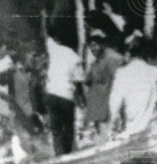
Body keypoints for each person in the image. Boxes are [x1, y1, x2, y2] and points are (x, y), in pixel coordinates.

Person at [108, 32, 157, 138]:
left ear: (127, 53)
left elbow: (113, 106)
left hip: (132, 132)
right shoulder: (155, 72)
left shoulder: (121, 74)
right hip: (154, 131)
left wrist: (111, 129)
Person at [44, 23, 83, 155]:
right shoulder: (74, 56)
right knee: (68, 127)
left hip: (51, 94)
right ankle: (66, 154)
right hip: (66, 96)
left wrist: (49, 27)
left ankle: (59, 155)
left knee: (56, 130)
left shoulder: (53, 49)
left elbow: (49, 36)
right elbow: (78, 81)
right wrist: (81, 99)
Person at [83, 30, 122, 139]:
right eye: (91, 46)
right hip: (100, 109)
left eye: (95, 44)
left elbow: (118, 81)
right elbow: (87, 80)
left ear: (103, 44)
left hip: (110, 107)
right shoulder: (96, 61)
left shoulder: (111, 58)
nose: (93, 48)